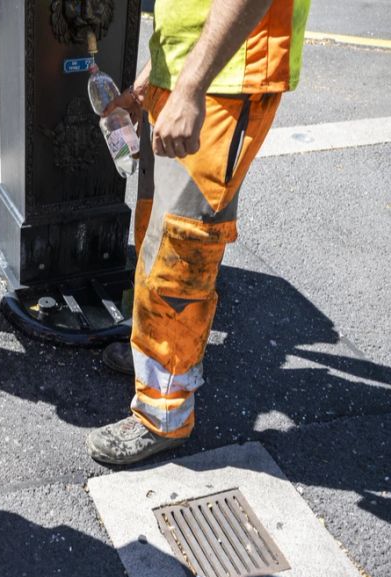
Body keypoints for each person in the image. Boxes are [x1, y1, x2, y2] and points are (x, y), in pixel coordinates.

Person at [86, 0, 311, 464]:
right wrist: (160, 74)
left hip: (222, 82)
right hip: (193, 75)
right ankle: (153, 363)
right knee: (154, 233)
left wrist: (189, 87)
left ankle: (163, 413)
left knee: (180, 251)